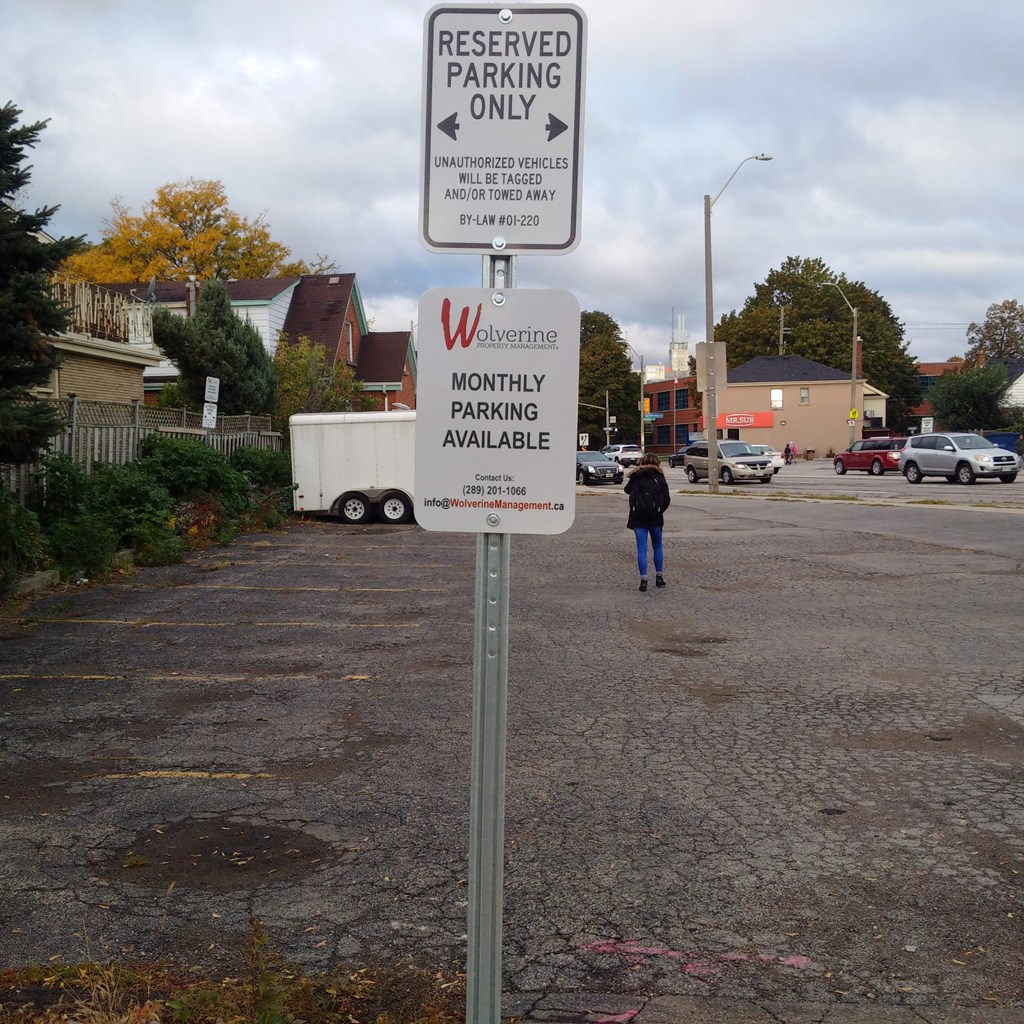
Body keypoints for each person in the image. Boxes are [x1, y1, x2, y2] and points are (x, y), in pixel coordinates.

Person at [624, 452, 671, 592]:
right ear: (657, 463)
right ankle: (659, 576)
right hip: (655, 517)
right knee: (657, 547)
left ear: (641, 462)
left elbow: (627, 490)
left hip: (638, 517)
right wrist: (659, 511)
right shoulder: (659, 476)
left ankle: (643, 579)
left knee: (642, 549)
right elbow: (667, 499)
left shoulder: (636, 476)